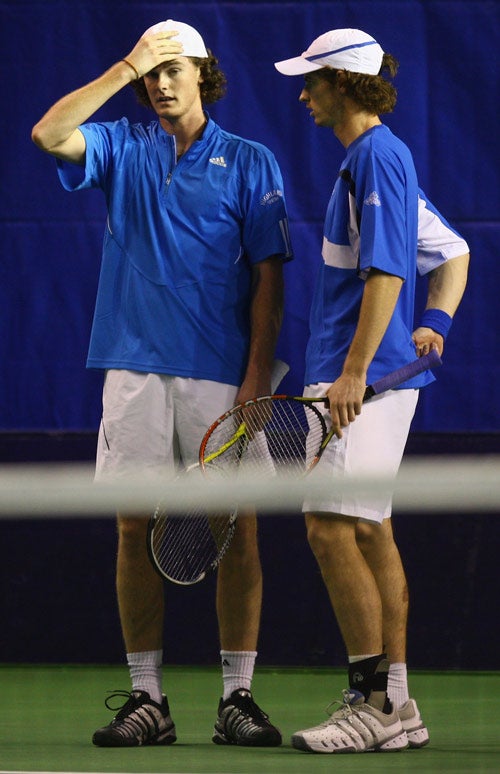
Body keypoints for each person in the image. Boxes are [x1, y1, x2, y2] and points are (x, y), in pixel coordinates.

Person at [32, 19, 292, 747]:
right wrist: (123, 66)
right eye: (154, 72)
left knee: (234, 536)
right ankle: (148, 700)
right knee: (131, 528)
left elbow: (270, 284)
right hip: (133, 371)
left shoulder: (250, 161)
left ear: (204, 75)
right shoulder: (121, 146)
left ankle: (237, 698)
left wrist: (253, 381)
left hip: (221, 381)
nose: (162, 81)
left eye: (175, 68)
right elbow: (49, 134)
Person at [274, 27, 469, 753]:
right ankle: (399, 702)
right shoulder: (377, 162)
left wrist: (352, 372)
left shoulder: (379, 158)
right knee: (368, 529)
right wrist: (438, 322)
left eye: (314, 81)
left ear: (346, 85)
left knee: (328, 528)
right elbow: (454, 251)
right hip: (371, 374)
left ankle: (370, 702)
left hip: (368, 381)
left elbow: (388, 275)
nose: (304, 94)